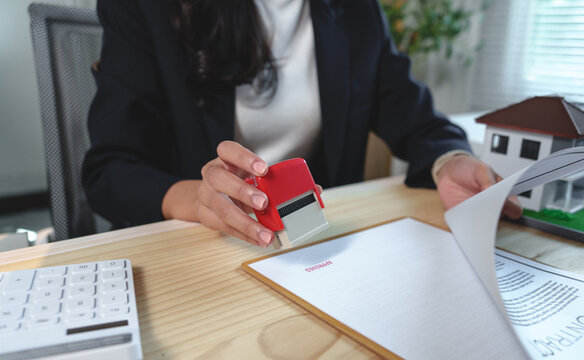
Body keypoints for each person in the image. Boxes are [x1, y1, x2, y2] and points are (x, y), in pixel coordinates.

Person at [83, 0, 521, 247]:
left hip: (312, 246)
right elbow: (110, 170)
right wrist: (196, 199)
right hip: (200, 247)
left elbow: (417, 119)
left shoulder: (355, 12)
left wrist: (451, 160)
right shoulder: (145, 9)